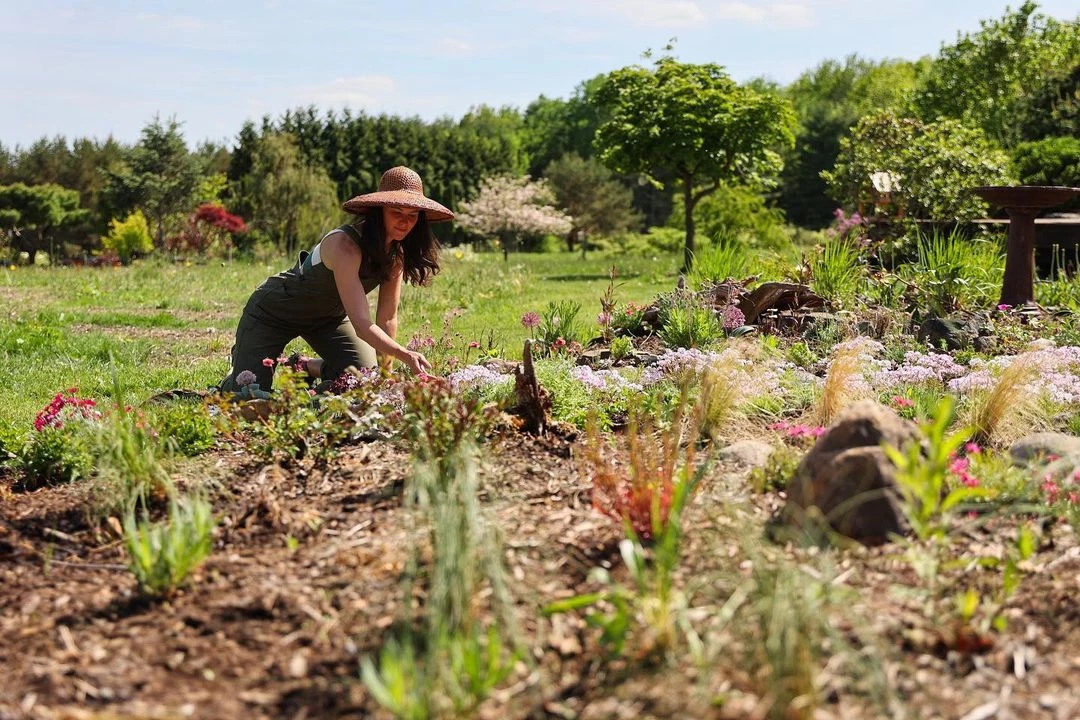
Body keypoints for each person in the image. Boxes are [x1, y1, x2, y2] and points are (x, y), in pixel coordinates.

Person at [219, 166, 453, 393]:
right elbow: (362, 324)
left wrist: (383, 376)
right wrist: (406, 354)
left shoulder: (395, 256)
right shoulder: (345, 246)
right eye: (397, 213)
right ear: (378, 211)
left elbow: (387, 318)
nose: (405, 222)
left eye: (412, 216)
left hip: (328, 320)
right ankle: (237, 370)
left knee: (364, 379)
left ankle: (303, 366)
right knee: (248, 392)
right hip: (273, 315)